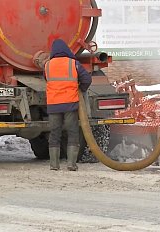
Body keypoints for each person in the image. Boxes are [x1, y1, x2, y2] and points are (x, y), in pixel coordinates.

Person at [44, 39, 92, 171]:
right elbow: (87, 79)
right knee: (72, 132)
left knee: (54, 133)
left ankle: (54, 165)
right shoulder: (73, 64)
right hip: (70, 103)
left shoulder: (47, 65)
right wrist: (81, 89)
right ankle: (71, 164)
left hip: (53, 104)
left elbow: (46, 79)